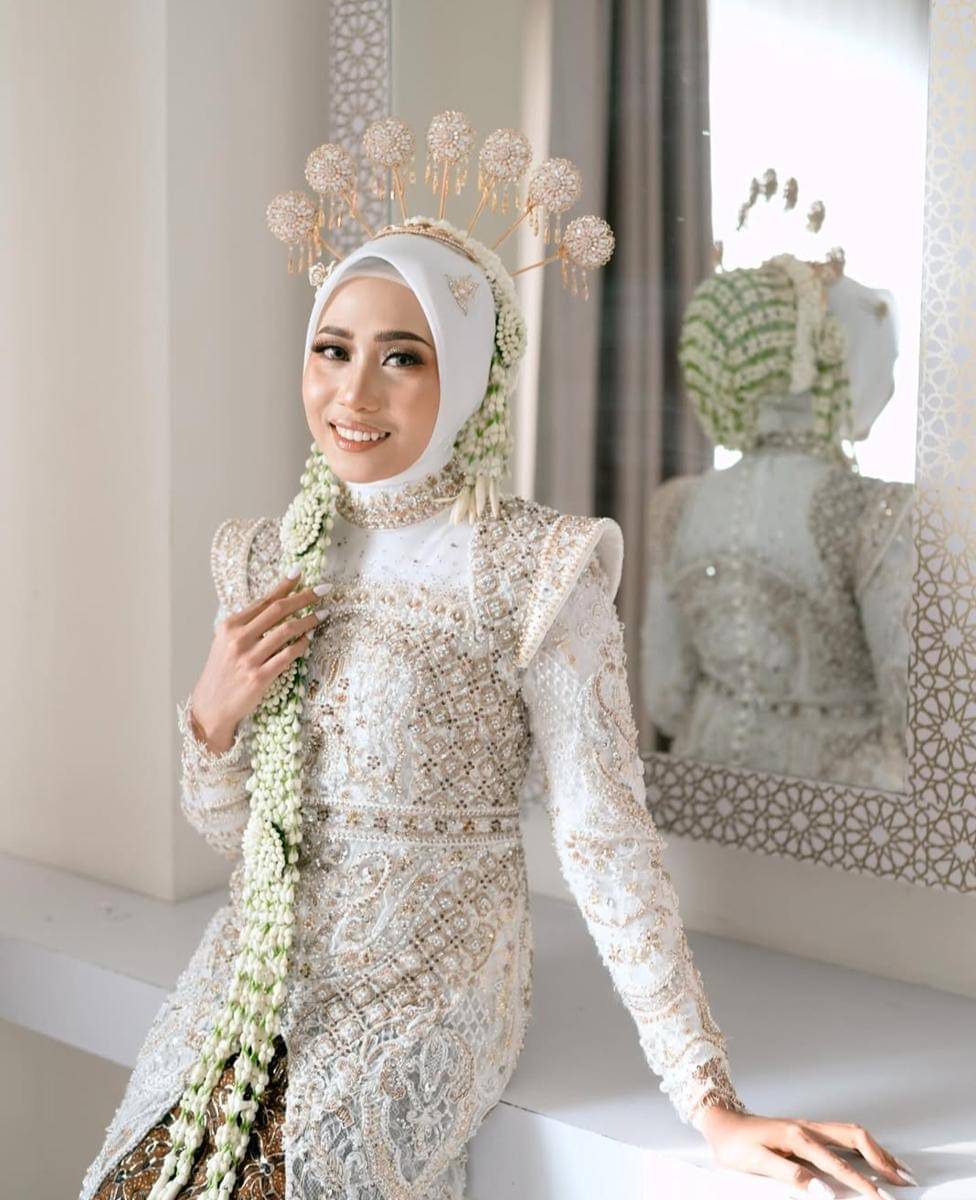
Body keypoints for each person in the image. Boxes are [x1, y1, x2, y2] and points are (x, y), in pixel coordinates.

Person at [80, 157, 915, 1200]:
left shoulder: (533, 567)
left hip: (431, 979)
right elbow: (238, 835)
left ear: (471, 373)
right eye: (333, 350)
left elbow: (603, 837)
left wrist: (709, 1099)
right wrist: (210, 722)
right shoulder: (266, 555)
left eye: (403, 357)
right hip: (252, 980)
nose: (353, 392)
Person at [642, 256, 912, 793]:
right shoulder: (875, 510)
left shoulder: (680, 505)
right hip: (838, 813)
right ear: (836, 363)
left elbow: (665, 698)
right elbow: (915, 708)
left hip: (704, 797)